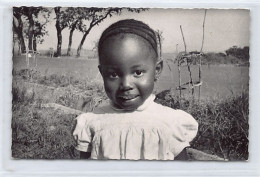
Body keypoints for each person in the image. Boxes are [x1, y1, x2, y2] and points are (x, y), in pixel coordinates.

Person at [73, 19, 198, 160]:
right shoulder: (92, 121)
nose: (126, 84)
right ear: (102, 74)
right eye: (113, 74)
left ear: (157, 70)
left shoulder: (170, 122)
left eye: (138, 72)